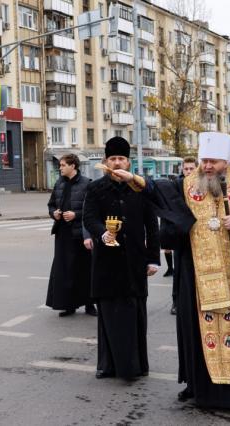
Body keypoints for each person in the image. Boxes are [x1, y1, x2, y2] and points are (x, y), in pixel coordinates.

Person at [113, 132, 230, 409]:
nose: (207, 166)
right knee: (196, 332)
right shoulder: (188, 186)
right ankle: (199, 388)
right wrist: (134, 179)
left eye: (213, 161)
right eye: (204, 160)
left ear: (225, 161)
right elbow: (157, 190)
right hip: (195, 275)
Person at [82, 137, 160, 381]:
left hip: (135, 262)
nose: (117, 163)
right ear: (106, 161)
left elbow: (152, 226)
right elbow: (89, 218)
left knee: (135, 315)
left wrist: (153, 259)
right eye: (113, 159)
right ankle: (107, 365)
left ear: (128, 162)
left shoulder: (140, 187)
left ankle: (137, 366)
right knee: (108, 315)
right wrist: (101, 233)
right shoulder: (95, 188)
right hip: (106, 262)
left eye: (121, 159)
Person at [46, 154, 96, 318]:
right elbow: (51, 204)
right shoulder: (59, 183)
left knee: (84, 269)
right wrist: (55, 213)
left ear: (73, 166)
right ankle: (68, 305)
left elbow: (92, 209)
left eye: (62, 165)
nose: (59, 168)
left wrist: (75, 214)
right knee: (65, 270)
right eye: (59, 165)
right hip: (63, 233)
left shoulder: (87, 184)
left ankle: (89, 305)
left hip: (80, 234)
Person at [165, 156, 199, 315]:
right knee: (178, 271)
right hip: (181, 235)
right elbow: (169, 210)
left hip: (198, 235)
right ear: (182, 170)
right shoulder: (176, 185)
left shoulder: (202, 185)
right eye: (186, 169)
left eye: (192, 168)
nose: (189, 171)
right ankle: (176, 302)